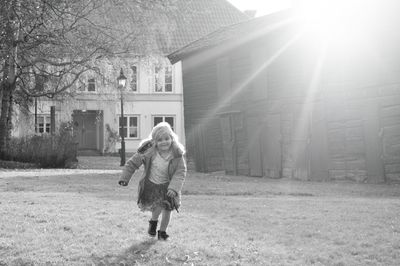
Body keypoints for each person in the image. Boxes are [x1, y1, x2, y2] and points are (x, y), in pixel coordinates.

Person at [118, 122, 186, 240]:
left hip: (168, 186)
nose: (164, 142)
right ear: (154, 141)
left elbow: (180, 172)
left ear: (172, 138)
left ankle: (162, 232)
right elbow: (132, 164)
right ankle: (153, 222)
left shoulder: (177, 155)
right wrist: (124, 178)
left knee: (167, 209)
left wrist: (174, 188)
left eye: (167, 138)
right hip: (152, 185)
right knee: (158, 207)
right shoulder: (148, 152)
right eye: (160, 140)